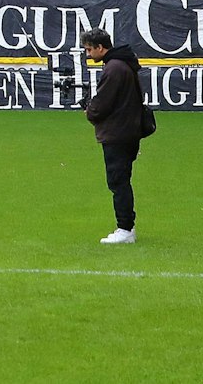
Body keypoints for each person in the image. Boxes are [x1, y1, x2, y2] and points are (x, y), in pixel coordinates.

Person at [81, 28, 147, 244]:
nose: (88, 54)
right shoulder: (123, 64)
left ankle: (125, 228)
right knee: (121, 180)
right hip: (128, 130)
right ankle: (126, 227)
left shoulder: (114, 68)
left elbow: (102, 103)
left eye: (89, 49)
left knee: (118, 181)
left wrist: (90, 111)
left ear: (100, 47)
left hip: (118, 133)